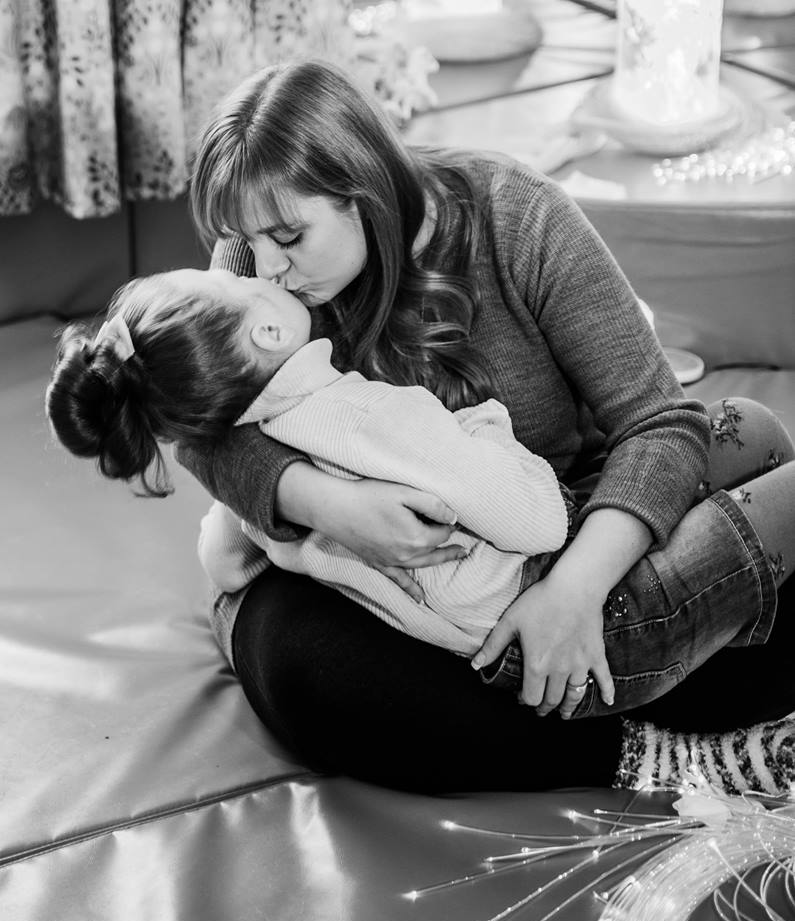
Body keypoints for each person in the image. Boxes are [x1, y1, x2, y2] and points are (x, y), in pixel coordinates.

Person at [104, 58, 795, 793]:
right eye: (245, 241)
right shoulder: (253, 251)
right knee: (298, 665)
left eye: (289, 238)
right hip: (404, 593)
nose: (263, 269)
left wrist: (571, 596)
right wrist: (326, 505)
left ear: (361, 193)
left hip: (554, 515)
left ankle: (566, 683)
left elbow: (656, 420)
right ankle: (639, 752)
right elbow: (200, 421)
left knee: (745, 436)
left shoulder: (516, 216)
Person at [46, 267, 794, 733]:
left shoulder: (270, 435)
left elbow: (243, 545)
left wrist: (260, 533)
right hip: (593, 624)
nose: (263, 267)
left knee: (749, 432)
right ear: (267, 325)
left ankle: (740, 628)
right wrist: (482, 427)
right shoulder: (365, 416)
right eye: (246, 278)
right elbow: (538, 517)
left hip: (492, 634)